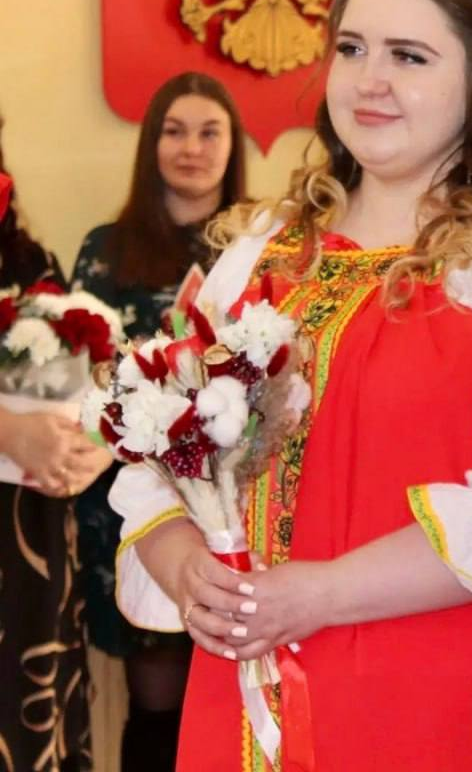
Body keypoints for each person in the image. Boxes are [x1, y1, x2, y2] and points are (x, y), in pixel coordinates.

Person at [108, 0, 472, 771]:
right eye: (352, 48)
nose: (368, 80)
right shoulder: (263, 246)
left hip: (430, 702)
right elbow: (154, 453)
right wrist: (185, 565)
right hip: (241, 693)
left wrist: (322, 594)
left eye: (410, 56)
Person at [71, 71, 248, 770]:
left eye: (209, 132)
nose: (192, 148)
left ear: (233, 147)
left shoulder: (260, 243)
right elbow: (85, 377)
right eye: (174, 131)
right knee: (157, 705)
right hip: (131, 504)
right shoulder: (106, 247)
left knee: (233, 694)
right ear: (150, 145)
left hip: (237, 499)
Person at [0, 115, 110, 770]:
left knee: (26, 716)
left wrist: (91, 445)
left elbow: (84, 378)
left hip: (30, 538)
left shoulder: (29, 262)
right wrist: (10, 431)